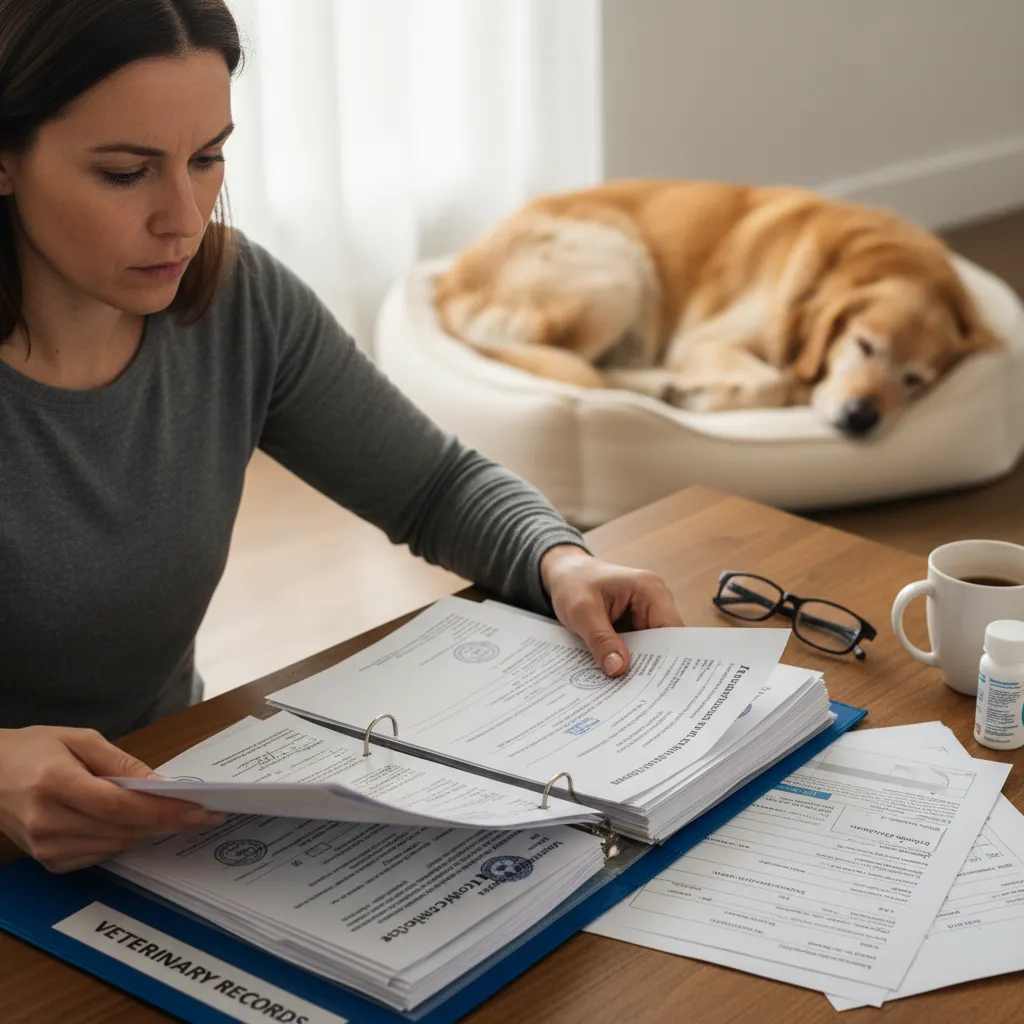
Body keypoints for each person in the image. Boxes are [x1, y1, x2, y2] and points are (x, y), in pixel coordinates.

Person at [0, 0, 683, 874]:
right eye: (127, 173)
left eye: (208, 157)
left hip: (163, 815)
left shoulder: (233, 299)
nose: (183, 214)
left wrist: (561, 561)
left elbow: (432, 486)